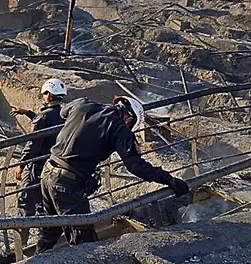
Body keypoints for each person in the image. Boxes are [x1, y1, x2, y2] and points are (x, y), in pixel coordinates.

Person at [36, 95, 190, 252]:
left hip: (48, 172)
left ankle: (38, 261)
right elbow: (135, 165)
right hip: (67, 183)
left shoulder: (83, 103)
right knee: (84, 243)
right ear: (129, 119)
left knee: (50, 231)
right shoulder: (119, 128)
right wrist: (169, 180)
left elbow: (63, 112)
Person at [10, 78, 67, 245]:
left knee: (26, 200)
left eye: (45, 93)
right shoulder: (63, 114)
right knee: (45, 201)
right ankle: (46, 238)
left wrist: (21, 164)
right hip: (53, 164)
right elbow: (48, 123)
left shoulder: (42, 118)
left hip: (36, 165)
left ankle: (21, 243)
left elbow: (33, 144)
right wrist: (27, 113)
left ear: (48, 95)